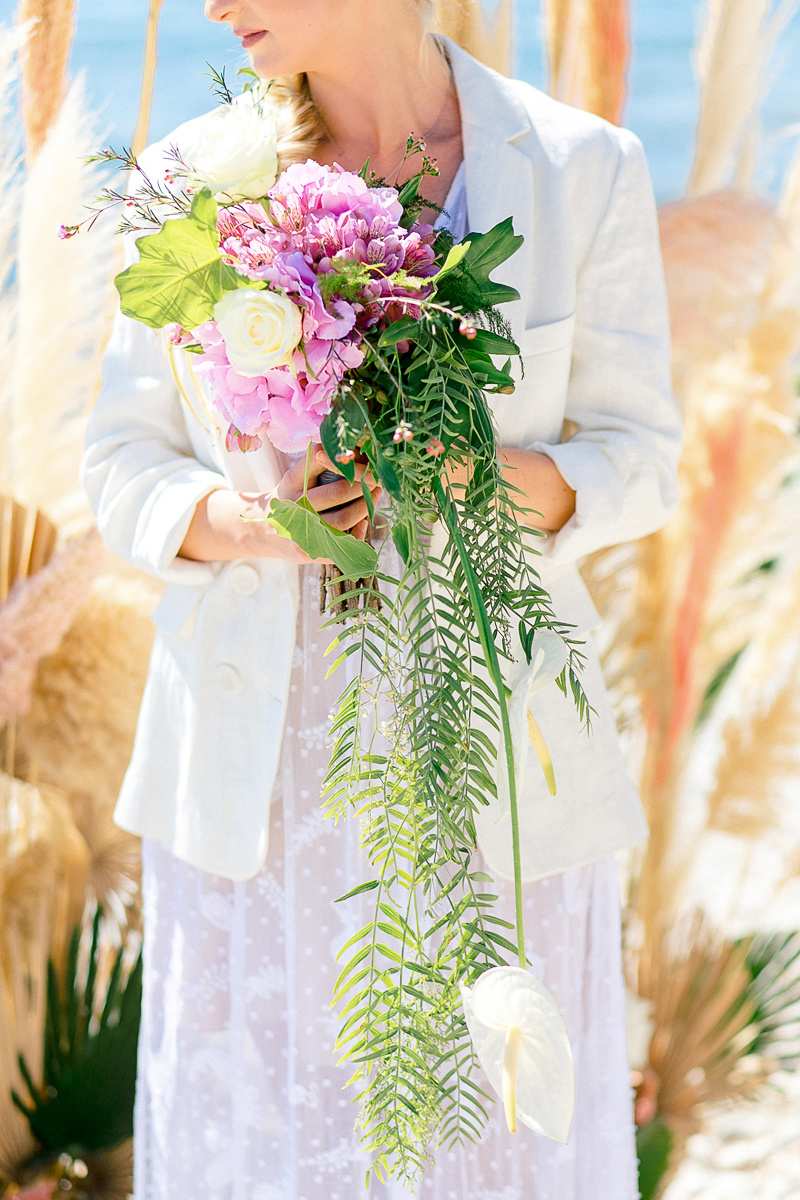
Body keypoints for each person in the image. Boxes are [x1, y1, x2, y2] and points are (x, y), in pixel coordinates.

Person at [80, 2, 683, 1197]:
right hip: (257, 775)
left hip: (489, 756)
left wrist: (472, 475)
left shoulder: (580, 168)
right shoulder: (186, 181)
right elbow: (119, 465)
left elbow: (640, 460)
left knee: (488, 1141)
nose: (211, 7)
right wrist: (262, 527)